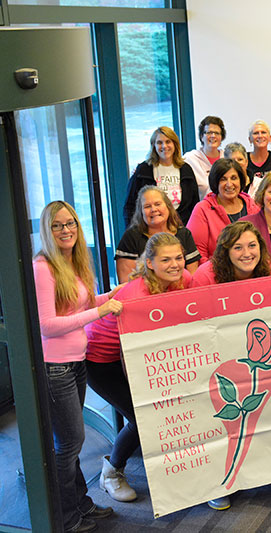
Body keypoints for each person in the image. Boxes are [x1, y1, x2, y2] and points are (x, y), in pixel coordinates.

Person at [33, 201, 123, 533]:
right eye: (57, 225)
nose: (66, 230)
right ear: (47, 229)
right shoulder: (43, 266)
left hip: (75, 364)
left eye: (70, 223)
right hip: (54, 366)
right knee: (69, 442)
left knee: (72, 442)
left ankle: (81, 505)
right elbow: (48, 325)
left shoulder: (72, 261)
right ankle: (65, 518)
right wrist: (99, 313)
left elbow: (82, 303)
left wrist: (111, 296)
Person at [86, 233, 191, 506]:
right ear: (150, 263)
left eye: (178, 257)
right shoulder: (137, 294)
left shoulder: (183, 279)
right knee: (142, 416)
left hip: (137, 355)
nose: (175, 264)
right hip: (102, 361)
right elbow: (131, 350)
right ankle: (111, 473)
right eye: (165, 259)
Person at [115, 186, 200, 282]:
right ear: (141, 212)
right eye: (147, 206)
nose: (153, 209)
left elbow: (193, 278)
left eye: (157, 204)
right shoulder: (131, 237)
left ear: (168, 206)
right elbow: (126, 283)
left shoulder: (184, 234)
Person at [186, 158, 259, 263]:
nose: (229, 184)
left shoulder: (253, 207)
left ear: (241, 180)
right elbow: (198, 253)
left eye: (234, 178)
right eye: (223, 179)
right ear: (215, 182)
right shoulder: (202, 209)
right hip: (217, 274)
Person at [123, 126, 199, 226]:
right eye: (159, 143)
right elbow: (130, 206)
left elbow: (194, 204)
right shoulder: (143, 170)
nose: (164, 146)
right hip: (150, 228)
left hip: (181, 227)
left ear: (175, 144)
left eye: (168, 142)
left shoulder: (186, 169)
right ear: (153, 146)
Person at [191, 221, 271, 286]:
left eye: (252, 245)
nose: (246, 254)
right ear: (226, 252)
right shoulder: (205, 277)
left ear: (260, 247)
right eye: (238, 248)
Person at [184, 115, 226, 198]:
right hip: (201, 208)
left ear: (221, 137)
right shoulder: (190, 158)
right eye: (209, 132)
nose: (213, 136)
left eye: (217, 133)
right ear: (201, 136)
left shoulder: (227, 157)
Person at [247, 120, 271, 195]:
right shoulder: (243, 159)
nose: (260, 136)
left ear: (270, 138)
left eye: (263, 132)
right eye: (256, 133)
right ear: (250, 139)